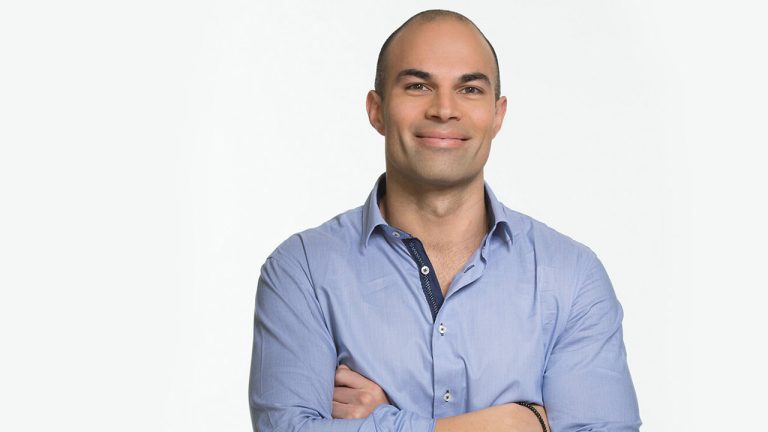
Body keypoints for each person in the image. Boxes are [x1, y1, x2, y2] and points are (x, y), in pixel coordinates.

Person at [249, 9, 641, 432]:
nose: (444, 109)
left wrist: (385, 421)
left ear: (497, 114)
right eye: (418, 86)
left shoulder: (572, 276)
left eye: (469, 89)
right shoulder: (304, 270)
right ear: (377, 110)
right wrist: (511, 424)